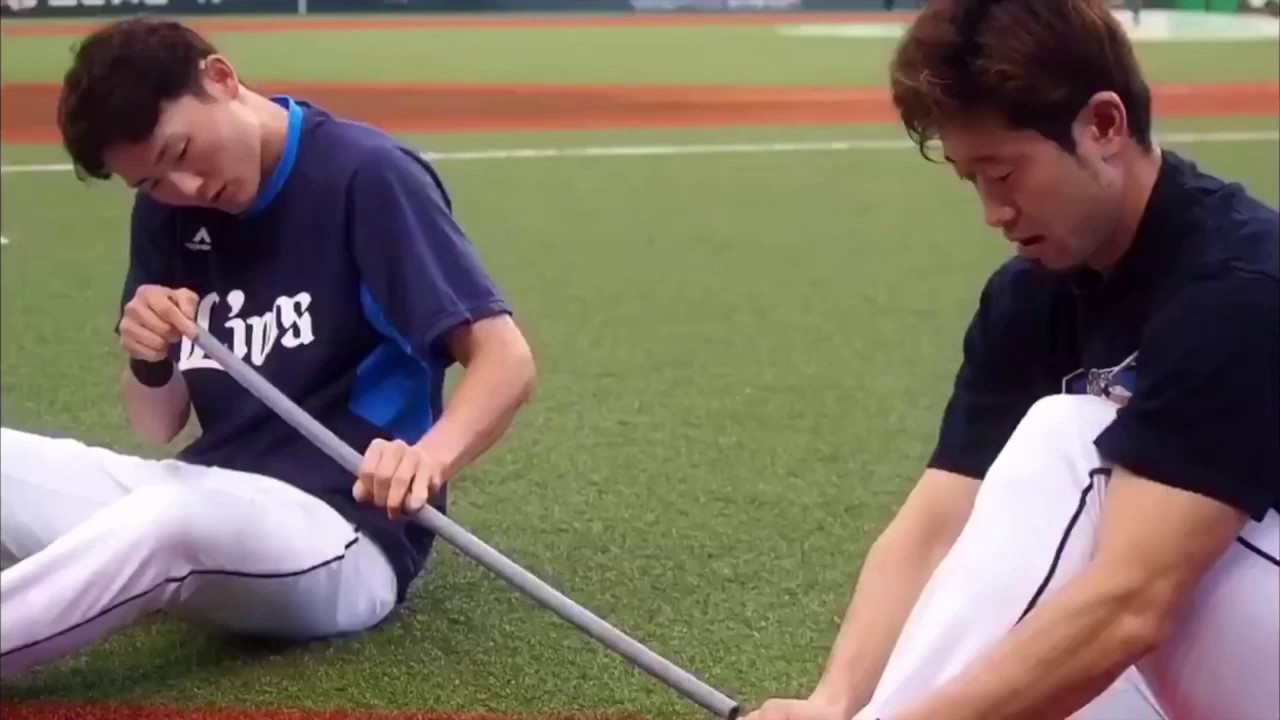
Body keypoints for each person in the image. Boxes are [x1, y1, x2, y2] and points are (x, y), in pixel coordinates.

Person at [746, 1, 1278, 719]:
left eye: (1003, 173)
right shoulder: (1031, 294)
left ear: (1103, 125)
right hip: (1209, 665)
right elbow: (937, 526)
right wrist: (832, 702)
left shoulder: (1239, 285)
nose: (992, 212)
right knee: (1037, 671)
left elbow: (1132, 603)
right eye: (972, 180)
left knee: (1071, 438)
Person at [0, 17, 536, 678]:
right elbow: (157, 422)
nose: (185, 189)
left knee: (168, 521)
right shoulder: (169, 213)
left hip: (344, 529)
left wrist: (428, 458)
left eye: (180, 151)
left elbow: (506, 358)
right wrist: (148, 355)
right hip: (212, 496)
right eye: (152, 183)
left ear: (220, 78)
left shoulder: (364, 176)